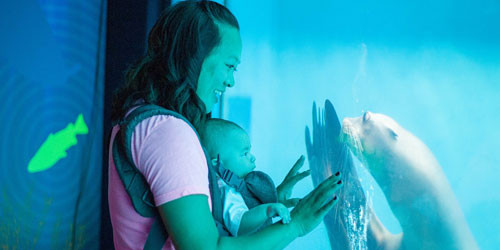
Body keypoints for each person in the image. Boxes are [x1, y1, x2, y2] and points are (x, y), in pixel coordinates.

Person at [108, 1, 343, 250]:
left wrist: (265, 206)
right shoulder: (168, 133)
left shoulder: (140, 118)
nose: (231, 81)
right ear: (193, 57)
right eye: (229, 66)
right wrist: (296, 225)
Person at [200, 118, 291, 236]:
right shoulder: (226, 190)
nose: (252, 157)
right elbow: (239, 224)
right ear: (218, 164)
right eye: (244, 153)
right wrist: (267, 210)